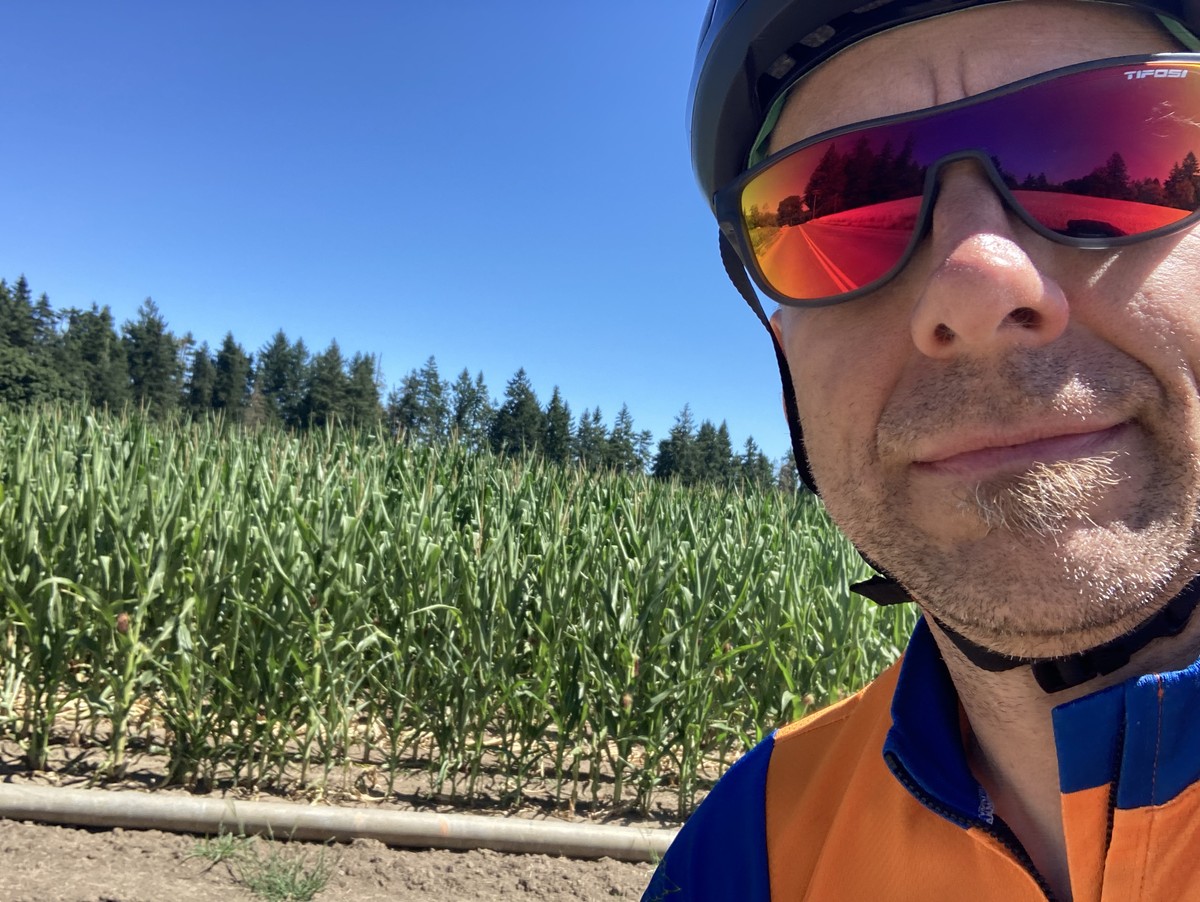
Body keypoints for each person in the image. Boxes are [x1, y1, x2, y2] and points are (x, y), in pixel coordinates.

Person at [645, 0, 1200, 899]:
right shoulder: (749, 856)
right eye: (838, 209)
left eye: (1117, 151)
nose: (976, 286)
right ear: (789, 358)